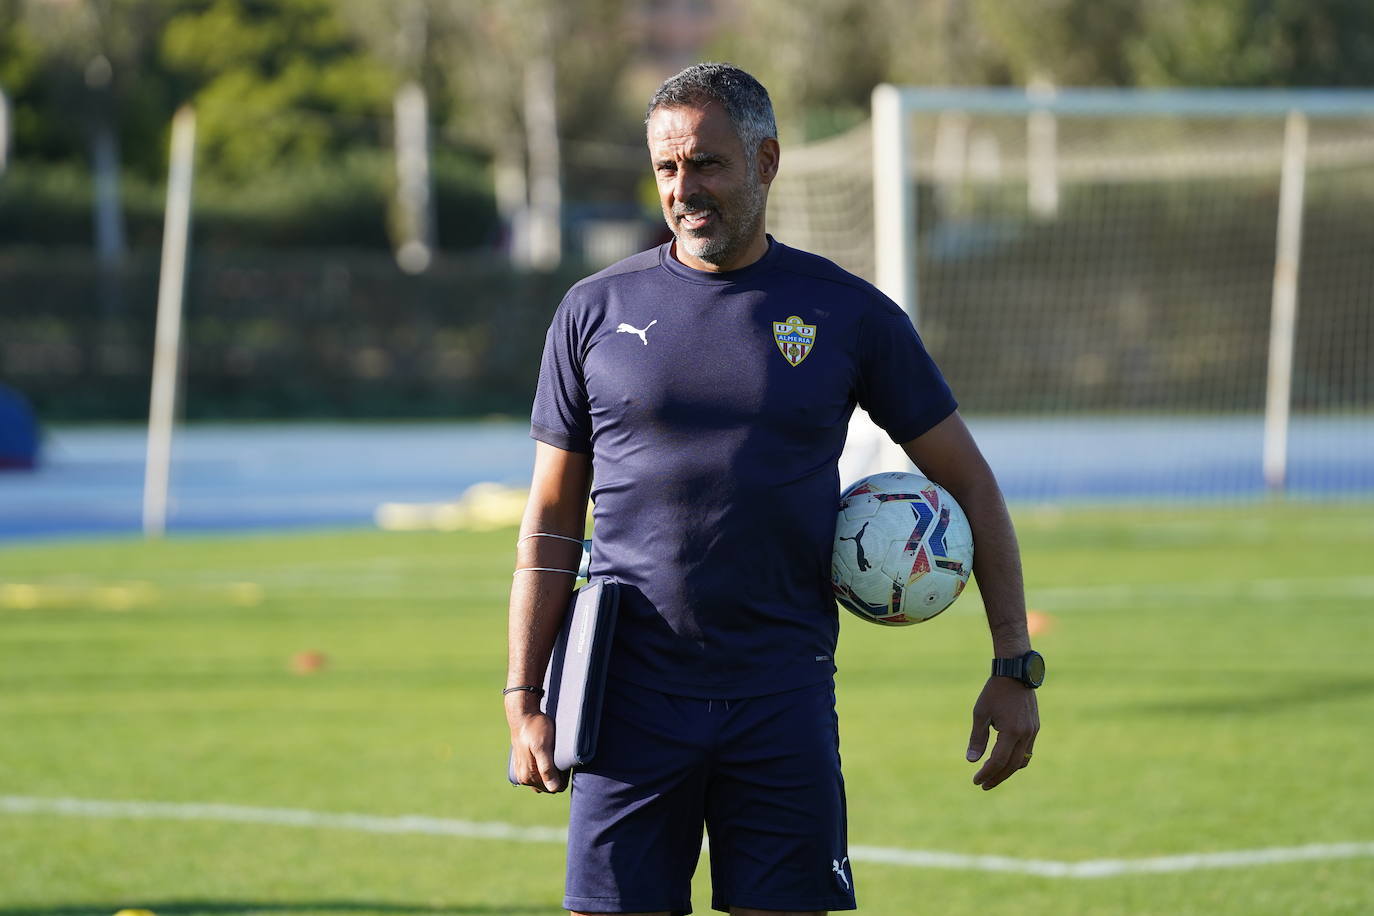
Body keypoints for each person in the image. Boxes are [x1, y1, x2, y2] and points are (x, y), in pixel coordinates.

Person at [506, 63, 1041, 916]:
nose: (685, 190)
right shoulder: (592, 310)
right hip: (627, 696)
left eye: (708, 164)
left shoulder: (848, 313)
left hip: (781, 694)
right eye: (668, 168)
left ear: (767, 160)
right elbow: (550, 518)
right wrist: (523, 697)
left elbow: (970, 481)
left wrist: (1015, 663)